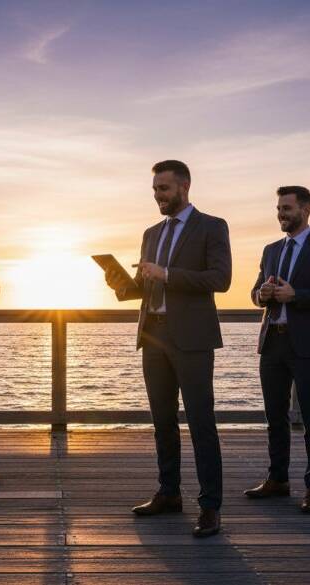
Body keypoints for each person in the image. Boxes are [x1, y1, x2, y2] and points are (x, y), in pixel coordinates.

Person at [103, 160, 231, 538]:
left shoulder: (212, 226)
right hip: (153, 337)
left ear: (184, 187)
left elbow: (220, 279)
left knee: (201, 422)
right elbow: (142, 288)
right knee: (162, 421)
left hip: (192, 338)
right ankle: (169, 493)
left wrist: (168, 274)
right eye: (155, 189)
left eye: (164, 188)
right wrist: (120, 284)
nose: (158, 195)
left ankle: (210, 506)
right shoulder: (151, 233)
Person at [246, 186, 310, 513]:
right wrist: (261, 294)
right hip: (272, 341)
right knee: (274, 416)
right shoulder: (271, 249)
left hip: (309, 344)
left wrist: (296, 295)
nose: (281, 214)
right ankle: (277, 479)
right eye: (279, 208)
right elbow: (255, 293)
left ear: (305, 209)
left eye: (287, 208)